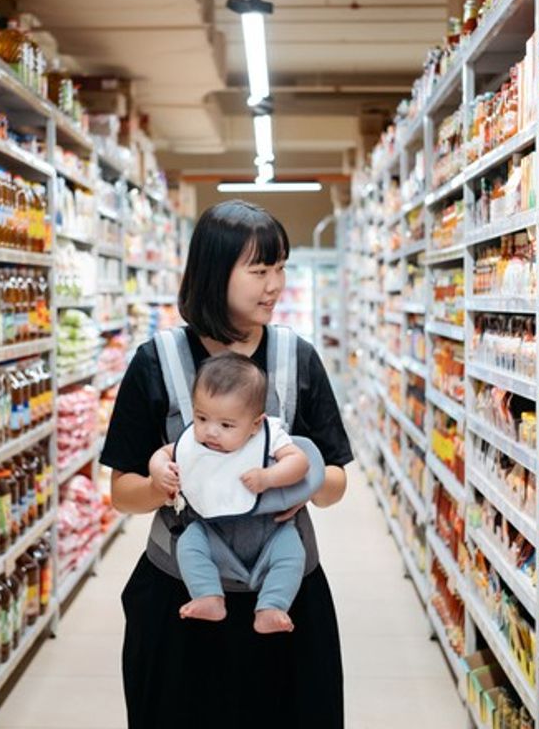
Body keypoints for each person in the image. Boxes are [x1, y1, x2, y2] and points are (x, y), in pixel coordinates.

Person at [103, 199, 352, 728]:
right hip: (180, 600)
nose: (275, 284)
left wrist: (299, 485)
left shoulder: (296, 357)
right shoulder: (159, 360)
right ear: (215, 273)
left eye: (280, 267)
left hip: (286, 602)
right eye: (260, 270)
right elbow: (121, 492)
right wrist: (161, 483)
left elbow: (335, 481)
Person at [148, 352, 312, 633]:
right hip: (213, 532)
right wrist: (159, 470)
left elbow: (301, 462)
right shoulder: (193, 442)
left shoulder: (270, 436)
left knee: (292, 551)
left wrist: (269, 477)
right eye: (201, 417)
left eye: (226, 425)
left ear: (255, 424)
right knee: (189, 543)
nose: (210, 431)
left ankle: (272, 605)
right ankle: (208, 595)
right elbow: (163, 454)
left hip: (270, 531)